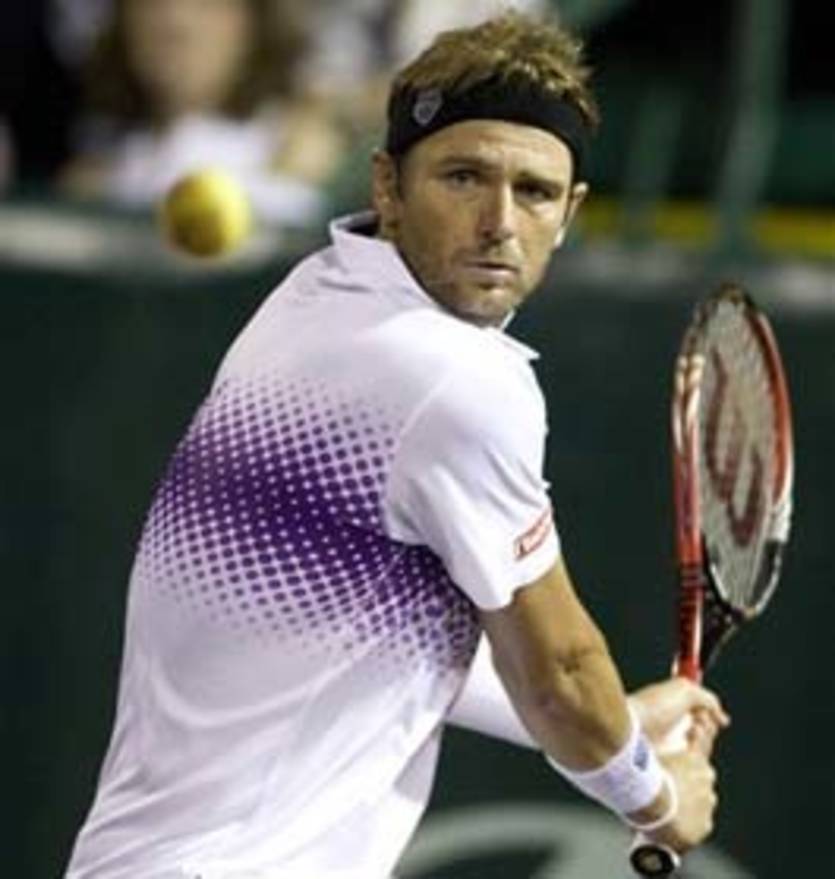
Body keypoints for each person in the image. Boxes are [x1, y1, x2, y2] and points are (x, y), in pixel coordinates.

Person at [65, 12, 728, 879]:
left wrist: (621, 723)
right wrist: (655, 796)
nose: (498, 221)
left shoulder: (312, 296)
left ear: (568, 213)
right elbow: (561, 672)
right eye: (463, 177)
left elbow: (384, 632)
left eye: (533, 191)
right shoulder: (456, 380)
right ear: (388, 185)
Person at [59, 0, 343, 227]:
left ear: (255, 19)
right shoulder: (102, 169)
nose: (176, 20)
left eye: (208, 4)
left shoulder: (305, 154)